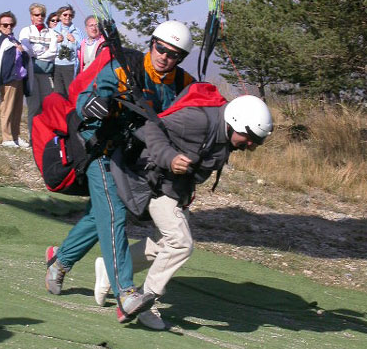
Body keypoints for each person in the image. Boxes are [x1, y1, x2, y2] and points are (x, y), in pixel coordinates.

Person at [45, 20, 195, 324]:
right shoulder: (125, 67)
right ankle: (126, 293)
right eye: (160, 48)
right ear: (151, 43)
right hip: (98, 147)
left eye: (173, 54)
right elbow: (87, 97)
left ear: (180, 58)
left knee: (100, 215)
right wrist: (94, 104)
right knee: (113, 212)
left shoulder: (182, 84)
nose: (164, 56)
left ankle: (60, 261)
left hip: (130, 156)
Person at [94, 90, 274, 329]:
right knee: (180, 243)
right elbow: (152, 128)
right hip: (153, 182)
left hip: (178, 191)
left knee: (163, 248)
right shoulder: (196, 120)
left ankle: (110, 270)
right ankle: (146, 302)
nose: (251, 144)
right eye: (249, 137)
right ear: (235, 122)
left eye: (256, 141)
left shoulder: (227, 135)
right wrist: (169, 158)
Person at [0, 11, 31, 148]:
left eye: (11, 24)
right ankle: (6, 137)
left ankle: (15, 136)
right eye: (5, 25)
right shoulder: (0, 41)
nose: (8, 27)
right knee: (7, 108)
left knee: (17, 109)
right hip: (8, 79)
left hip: (18, 78)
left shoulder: (13, 39)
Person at [19, 3, 58, 139]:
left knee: (46, 106)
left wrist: (37, 55)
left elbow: (53, 52)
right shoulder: (26, 31)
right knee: (34, 107)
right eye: (37, 15)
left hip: (46, 73)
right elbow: (26, 49)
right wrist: (40, 53)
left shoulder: (51, 33)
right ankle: (33, 137)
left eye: (42, 15)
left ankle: (45, 137)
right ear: (31, 16)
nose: (40, 17)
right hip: (31, 73)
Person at [53, 4, 83, 96]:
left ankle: (72, 110)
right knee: (58, 93)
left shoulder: (77, 31)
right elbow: (50, 48)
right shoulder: (53, 31)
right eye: (65, 15)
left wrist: (74, 41)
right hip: (56, 65)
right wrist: (56, 41)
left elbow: (81, 47)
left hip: (70, 65)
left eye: (70, 15)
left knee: (71, 92)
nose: (67, 17)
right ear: (59, 16)